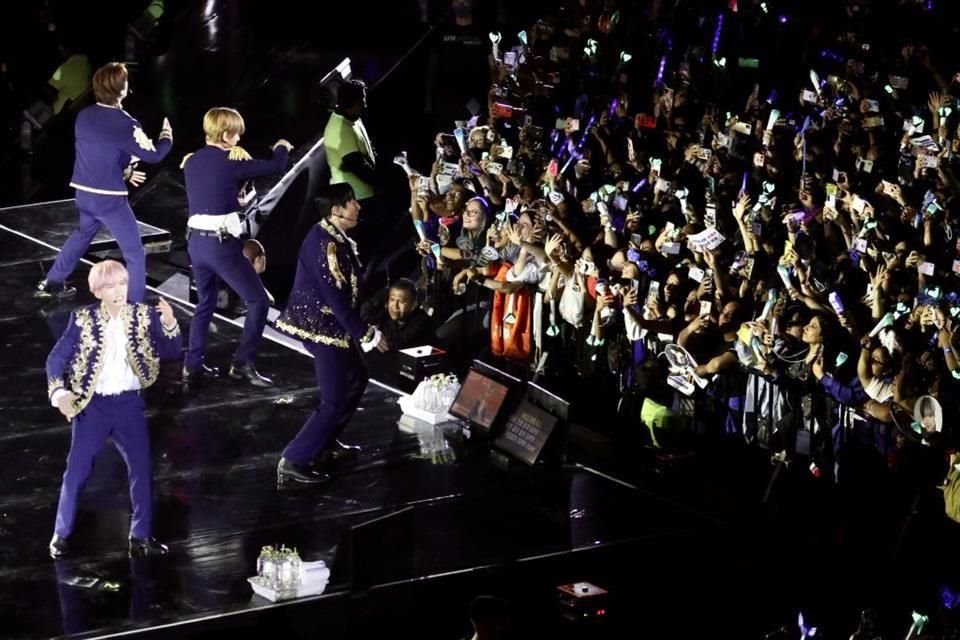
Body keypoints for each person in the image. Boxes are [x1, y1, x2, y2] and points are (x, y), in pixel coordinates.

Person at [46, 260, 182, 559]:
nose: (118, 290)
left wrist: (170, 324)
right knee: (77, 471)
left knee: (142, 469)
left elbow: (172, 353)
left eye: (121, 283)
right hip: (92, 407)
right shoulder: (82, 319)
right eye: (110, 286)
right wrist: (60, 393)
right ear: (97, 292)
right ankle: (61, 533)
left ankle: (141, 536)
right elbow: (55, 359)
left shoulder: (144, 315)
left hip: (129, 405)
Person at [274, 184, 387, 485]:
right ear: (335, 211)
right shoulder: (325, 246)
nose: (357, 206)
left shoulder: (334, 236)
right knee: (333, 399)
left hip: (332, 324)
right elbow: (335, 300)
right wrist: (367, 334)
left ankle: (324, 442)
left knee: (357, 377)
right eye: (351, 202)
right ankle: (294, 458)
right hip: (320, 327)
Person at [37, 62, 173, 302]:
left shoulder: (84, 116)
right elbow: (154, 155)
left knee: (82, 234)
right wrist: (166, 137)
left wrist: (125, 171)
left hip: (83, 194)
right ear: (121, 90)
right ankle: (135, 304)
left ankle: (52, 281)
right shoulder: (126, 123)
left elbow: (103, 152)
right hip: (109, 200)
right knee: (134, 252)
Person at [181, 107, 292, 387]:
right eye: (237, 134)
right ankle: (243, 364)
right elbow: (276, 166)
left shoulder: (192, 161)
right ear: (227, 134)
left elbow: (214, 191)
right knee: (259, 300)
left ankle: (192, 364)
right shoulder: (231, 162)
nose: (240, 138)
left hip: (195, 243)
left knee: (205, 303)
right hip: (220, 246)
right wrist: (281, 147)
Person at [361, 278, 436, 351]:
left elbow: (397, 343)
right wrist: (382, 293)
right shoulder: (387, 315)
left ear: (413, 305)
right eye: (392, 299)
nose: (395, 306)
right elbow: (364, 317)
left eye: (401, 302)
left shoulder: (421, 321)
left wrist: (373, 339)